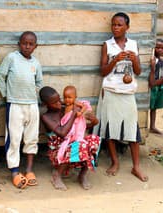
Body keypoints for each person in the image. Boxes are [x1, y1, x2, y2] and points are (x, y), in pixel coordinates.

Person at [93, 12, 148, 182]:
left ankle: (136, 166)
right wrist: (115, 60)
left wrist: (135, 61)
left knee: (132, 129)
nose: (115, 28)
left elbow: (138, 72)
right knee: (110, 129)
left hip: (128, 93)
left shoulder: (133, 44)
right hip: (110, 91)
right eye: (113, 25)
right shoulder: (107, 45)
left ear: (127, 27)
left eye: (119, 25)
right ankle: (115, 162)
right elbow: (102, 71)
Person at [0, 31, 43, 189]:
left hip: (32, 105)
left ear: (35, 46)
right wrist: (7, 96)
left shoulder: (35, 63)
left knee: (32, 137)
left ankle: (29, 169)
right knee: (14, 138)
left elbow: (39, 82)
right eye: (24, 43)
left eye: (31, 44)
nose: (27, 46)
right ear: (19, 44)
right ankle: (15, 171)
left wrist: (32, 94)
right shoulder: (12, 58)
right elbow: (0, 76)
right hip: (14, 104)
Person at [40, 86, 100, 190]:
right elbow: (63, 133)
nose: (59, 103)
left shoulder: (66, 107)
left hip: (73, 141)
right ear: (46, 104)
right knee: (80, 145)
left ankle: (82, 175)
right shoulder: (46, 117)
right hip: (59, 149)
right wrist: (73, 114)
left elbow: (78, 128)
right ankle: (57, 176)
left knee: (93, 141)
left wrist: (94, 122)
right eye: (55, 102)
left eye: (59, 99)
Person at [149, 39, 163, 135]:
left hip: (159, 87)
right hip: (154, 86)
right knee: (149, 105)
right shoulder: (153, 60)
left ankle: (152, 126)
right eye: (157, 47)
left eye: (162, 48)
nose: (160, 50)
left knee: (154, 108)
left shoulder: (161, 60)